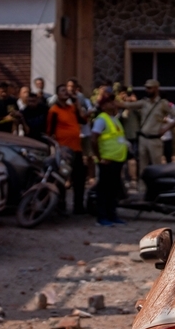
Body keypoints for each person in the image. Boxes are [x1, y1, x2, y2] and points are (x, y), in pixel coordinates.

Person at [120, 79, 175, 179]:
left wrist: (165, 129)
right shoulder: (144, 102)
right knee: (142, 168)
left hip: (155, 139)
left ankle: (156, 189)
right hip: (143, 138)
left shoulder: (163, 104)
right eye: (146, 88)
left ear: (156, 88)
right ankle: (142, 190)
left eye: (149, 88)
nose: (147, 90)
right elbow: (128, 105)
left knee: (156, 167)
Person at [47, 84, 89, 214]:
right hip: (63, 150)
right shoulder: (54, 110)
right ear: (58, 94)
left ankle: (78, 206)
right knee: (61, 179)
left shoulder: (72, 108)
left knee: (79, 178)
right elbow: (49, 131)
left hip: (76, 149)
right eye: (63, 91)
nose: (66, 92)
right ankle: (60, 206)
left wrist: (76, 102)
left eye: (67, 91)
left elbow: (83, 120)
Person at [91, 93, 128, 226]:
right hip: (106, 160)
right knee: (104, 190)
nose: (113, 104)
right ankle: (102, 217)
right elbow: (93, 139)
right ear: (103, 106)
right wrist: (99, 157)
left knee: (113, 190)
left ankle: (112, 215)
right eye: (110, 102)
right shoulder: (101, 119)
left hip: (117, 159)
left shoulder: (114, 118)